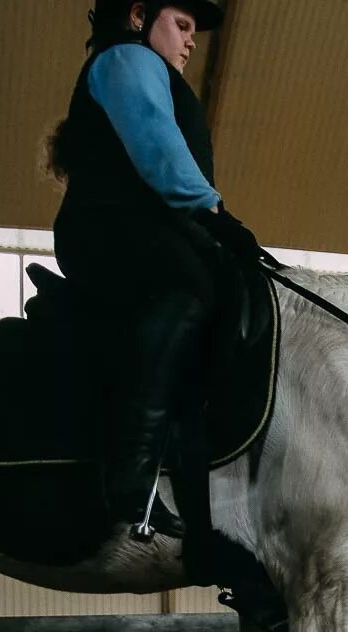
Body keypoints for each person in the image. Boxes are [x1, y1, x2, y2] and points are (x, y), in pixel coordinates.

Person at [48, 0, 267, 541]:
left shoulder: (147, 66)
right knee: (191, 289)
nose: (191, 42)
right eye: (183, 26)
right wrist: (219, 217)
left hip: (152, 231)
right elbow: (159, 149)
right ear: (140, 15)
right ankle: (132, 470)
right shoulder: (126, 58)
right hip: (111, 231)